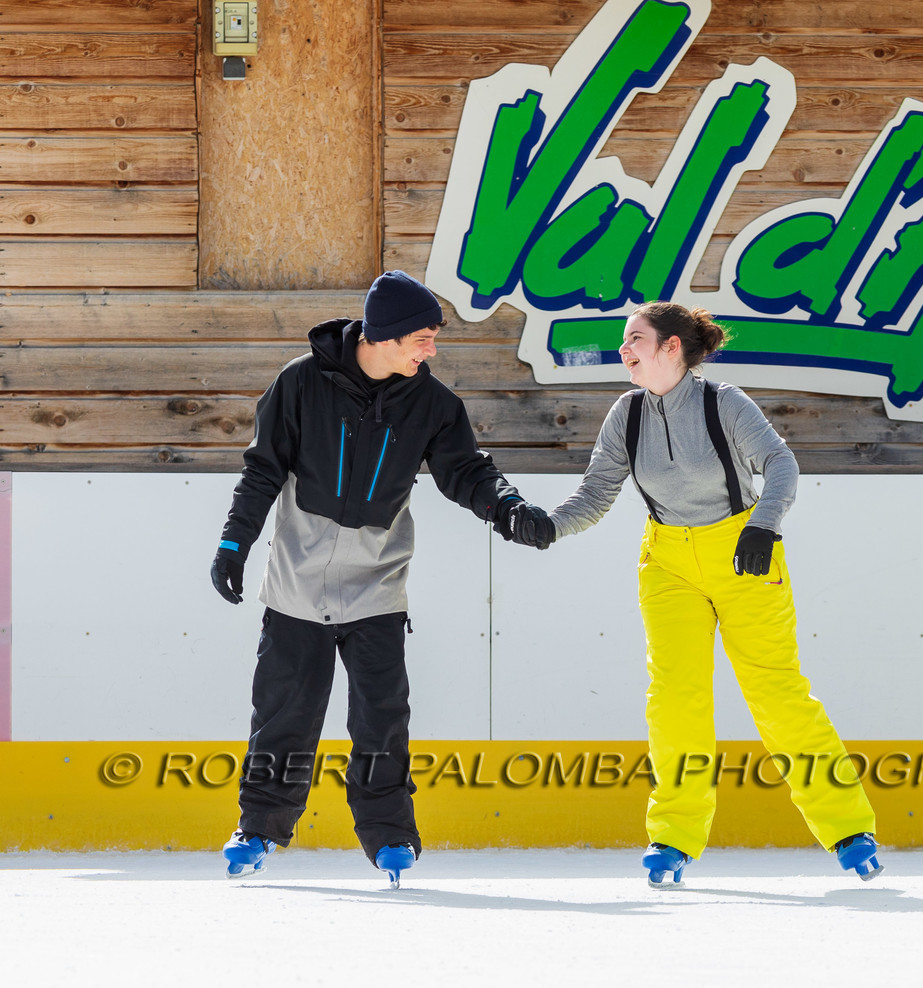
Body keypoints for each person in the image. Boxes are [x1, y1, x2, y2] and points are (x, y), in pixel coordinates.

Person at [502, 302, 882, 886]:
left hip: (743, 553)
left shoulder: (723, 402)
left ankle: (849, 828)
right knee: (675, 698)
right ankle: (674, 837)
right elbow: (596, 493)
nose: (624, 351)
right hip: (667, 563)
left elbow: (779, 463)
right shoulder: (625, 415)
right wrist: (551, 526)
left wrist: (764, 524)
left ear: (671, 347)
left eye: (635, 340)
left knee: (776, 692)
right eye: (624, 342)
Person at [209, 270, 550, 885]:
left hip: (377, 584)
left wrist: (509, 511)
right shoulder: (300, 383)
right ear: (384, 335)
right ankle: (258, 827)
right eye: (422, 338)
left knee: (382, 715)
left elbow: (467, 471)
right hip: (296, 583)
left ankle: (391, 835)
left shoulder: (432, 403)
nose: (432, 350)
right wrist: (235, 543)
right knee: (284, 713)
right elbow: (262, 470)